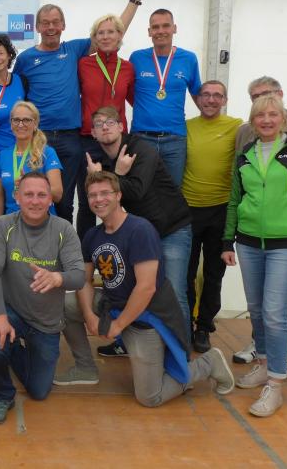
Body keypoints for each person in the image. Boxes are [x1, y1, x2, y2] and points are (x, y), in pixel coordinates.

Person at [71, 171, 234, 407]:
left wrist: (118, 325)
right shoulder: (92, 236)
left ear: (118, 195)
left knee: (150, 397)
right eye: (92, 195)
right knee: (66, 305)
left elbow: (146, 288)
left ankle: (208, 363)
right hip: (113, 306)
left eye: (105, 193)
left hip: (147, 316)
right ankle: (85, 367)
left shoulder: (140, 230)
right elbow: (84, 280)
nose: (99, 199)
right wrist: (89, 315)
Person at [13, 0, 159, 223]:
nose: (50, 27)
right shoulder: (26, 59)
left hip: (71, 138)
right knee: (37, 195)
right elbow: (19, 97)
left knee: (67, 201)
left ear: (63, 25)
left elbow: (112, 32)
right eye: (45, 23)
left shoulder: (75, 50)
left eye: (55, 22)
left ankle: (70, 246)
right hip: (39, 137)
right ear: (37, 26)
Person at [222, 95, 287, 417]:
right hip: (249, 242)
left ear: (283, 118)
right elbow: (235, 199)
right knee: (256, 309)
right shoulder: (245, 153)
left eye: (272, 114)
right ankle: (265, 364)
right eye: (260, 115)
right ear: (253, 121)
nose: (266, 120)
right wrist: (227, 241)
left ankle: (276, 385)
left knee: (274, 313)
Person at [85, 106, 192, 359]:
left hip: (171, 229)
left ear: (122, 126)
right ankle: (126, 343)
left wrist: (112, 175)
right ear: (93, 133)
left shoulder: (141, 149)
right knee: (127, 289)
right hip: (140, 235)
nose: (105, 127)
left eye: (111, 122)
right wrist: (112, 174)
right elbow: (103, 197)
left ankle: (182, 357)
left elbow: (136, 190)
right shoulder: (98, 160)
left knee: (174, 293)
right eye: (99, 124)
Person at [0, 172, 85, 424]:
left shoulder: (63, 229)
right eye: (28, 194)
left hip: (46, 322)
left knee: (38, 391)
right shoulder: (3, 225)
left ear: (50, 199)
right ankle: (3, 395)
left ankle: (14, 349)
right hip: (12, 311)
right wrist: (0, 317)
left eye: (41, 195)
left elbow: (79, 277)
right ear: (17, 197)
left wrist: (58, 278)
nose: (35, 201)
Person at [182, 81, 242, 353]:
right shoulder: (185, 126)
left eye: (217, 95)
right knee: (185, 273)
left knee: (213, 274)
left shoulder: (237, 126)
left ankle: (204, 327)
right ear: (198, 99)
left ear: (225, 100)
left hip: (221, 210)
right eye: (205, 95)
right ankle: (185, 324)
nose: (211, 100)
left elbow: (273, 124)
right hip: (187, 210)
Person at [76, 15, 135, 238]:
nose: (106, 36)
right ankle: (86, 252)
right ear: (94, 38)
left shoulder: (127, 68)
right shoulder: (83, 64)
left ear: (120, 35)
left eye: (111, 32)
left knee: (117, 197)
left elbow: (135, 100)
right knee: (88, 200)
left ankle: (119, 246)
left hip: (117, 143)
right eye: (100, 33)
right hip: (89, 140)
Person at [128, 9, 201, 187]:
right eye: (155, 27)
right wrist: (146, 110)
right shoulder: (137, 58)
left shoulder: (189, 59)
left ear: (174, 28)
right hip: (142, 138)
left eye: (166, 26)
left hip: (175, 140)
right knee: (140, 191)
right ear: (149, 31)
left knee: (172, 192)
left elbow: (199, 96)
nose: (160, 31)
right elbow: (128, 92)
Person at [0, 101, 62, 219]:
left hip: (42, 221)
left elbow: (57, 194)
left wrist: (31, 185)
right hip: (12, 222)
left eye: (26, 120)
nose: (20, 124)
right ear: (11, 124)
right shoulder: (1, 156)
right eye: (16, 120)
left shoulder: (47, 153)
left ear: (35, 124)